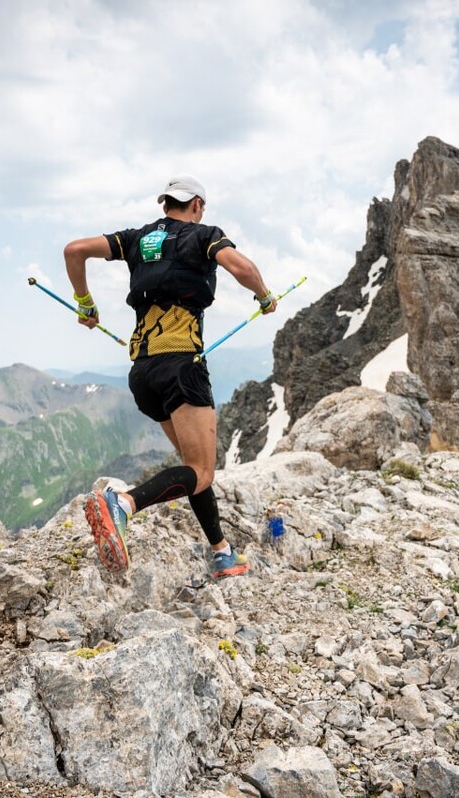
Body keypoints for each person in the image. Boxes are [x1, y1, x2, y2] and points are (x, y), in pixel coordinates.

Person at [63, 174, 277, 579]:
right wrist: (265, 296)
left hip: (143, 372)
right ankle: (122, 504)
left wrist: (86, 304)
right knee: (201, 470)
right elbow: (240, 267)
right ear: (196, 204)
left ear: (165, 205)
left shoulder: (134, 239)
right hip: (181, 365)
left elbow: (74, 251)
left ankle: (221, 552)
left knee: (193, 467)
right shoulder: (203, 235)